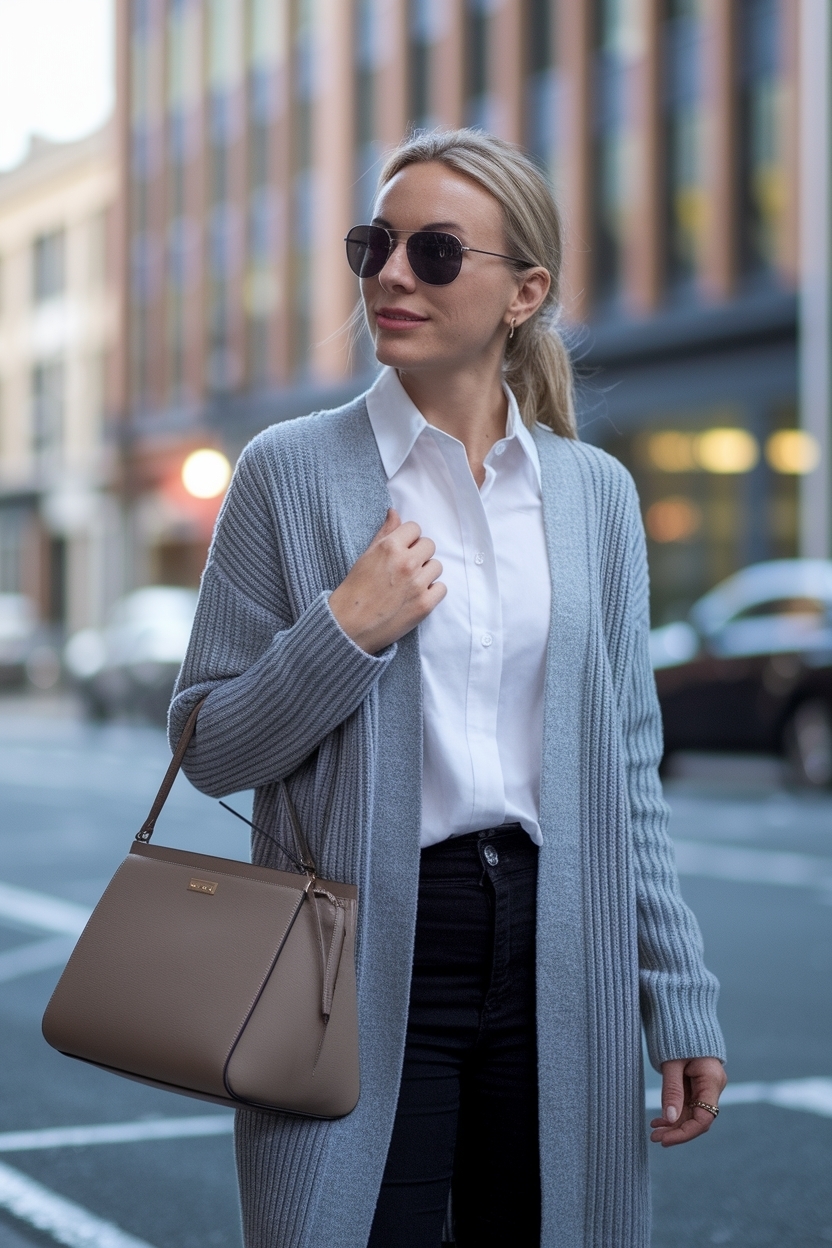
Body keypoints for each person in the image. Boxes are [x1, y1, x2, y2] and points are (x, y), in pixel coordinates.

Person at [170, 128, 727, 1248]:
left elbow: (626, 765)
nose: (387, 274)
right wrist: (343, 628)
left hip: (558, 943)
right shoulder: (289, 473)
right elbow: (209, 744)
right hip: (347, 952)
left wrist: (676, 989)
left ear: (525, 291)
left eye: (432, 252)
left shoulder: (592, 496)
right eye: (374, 243)